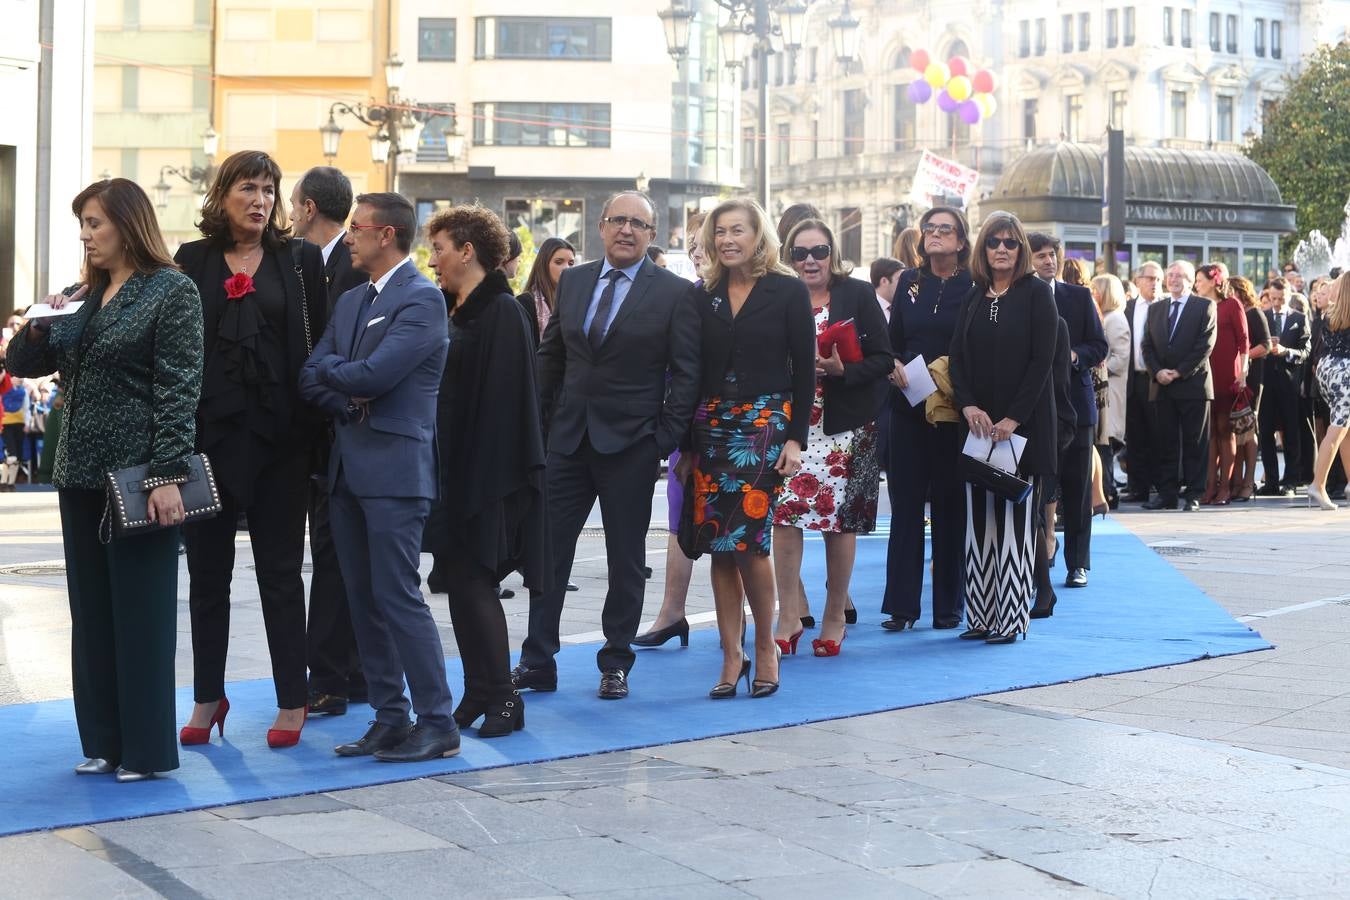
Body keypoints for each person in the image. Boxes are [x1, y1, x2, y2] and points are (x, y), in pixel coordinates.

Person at [5, 178, 203, 781]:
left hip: (140, 474)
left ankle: (145, 750)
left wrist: (169, 473)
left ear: (128, 223)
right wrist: (39, 326)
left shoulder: (171, 291)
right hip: (79, 471)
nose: (87, 235)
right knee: (91, 611)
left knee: (139, 613)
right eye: (82, 225)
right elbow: (23, 363)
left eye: (95, 223)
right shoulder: (81, 295)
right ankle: (103, 741)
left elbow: (179, 387)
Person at [512, 190, 700, 700]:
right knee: (548, 555)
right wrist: (539, 428)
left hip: (632, 445)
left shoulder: (674, 293)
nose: (626, 230)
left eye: (638, 224)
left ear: (652, 235)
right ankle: (537, 659)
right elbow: (552, 358)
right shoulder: (572, 280)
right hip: (568, 441)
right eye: (618, 220)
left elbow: (685, 375)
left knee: (625, 558)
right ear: (601, 226)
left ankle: (616, 660)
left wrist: (662, 439)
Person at [299, 192, 459, 762]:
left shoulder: (421, 300)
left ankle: (437, 720)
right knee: (362, 598)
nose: (349, 237)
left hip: (394, 472)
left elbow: (379, 372)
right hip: (348, 470)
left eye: (357, 227)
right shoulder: (349, 302)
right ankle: (391, 717)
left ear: (385, 235)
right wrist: (350, 392)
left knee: (397, 596)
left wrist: (345, 377)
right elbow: (312, 375)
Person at [175, 151, 327, 749]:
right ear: (222, 196)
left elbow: (320, 339)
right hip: (207, 440)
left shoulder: (301, 259)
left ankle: (293, 697)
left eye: (269, 189)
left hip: (282, 441)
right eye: (247, 188)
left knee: (281, 575)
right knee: (207, 576)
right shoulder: (193, 260)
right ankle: (208, 696)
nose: (260, 199)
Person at [678, 197, 814, 695]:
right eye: (720, 232)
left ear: (759, 236)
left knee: (752, 544)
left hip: (765, 425)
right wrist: (686, 445)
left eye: (738, 230)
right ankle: (731, 655)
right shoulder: (703, 294)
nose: (728, 239)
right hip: (712, 425)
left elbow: (805, 371)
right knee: (718, 545)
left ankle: (765, 647)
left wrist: (796, 437)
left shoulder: (787, 290)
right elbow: (690, 373)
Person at [423, 205, 549, 735]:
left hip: (485, 475)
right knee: (459, 583)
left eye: (440, 249)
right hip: (456, 470)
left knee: (475, 583)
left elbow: (506, 403)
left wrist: (476, 483)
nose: (433, 261)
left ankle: (502, 697)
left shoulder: (499, 309)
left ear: (467, 251)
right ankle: (479, 689)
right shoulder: (460, 309)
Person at [771, 218, 891, 657]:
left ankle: (835, 614)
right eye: (800, 253)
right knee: (784, 519)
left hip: (846, 427)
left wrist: (845, 371)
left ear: (832, 254)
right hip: (791, 427)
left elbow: (884, 358)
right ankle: (788, 614)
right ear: (789, 257)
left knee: (840, 526)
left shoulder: (857, 294)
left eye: (818, 251)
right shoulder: (778, 294)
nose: (809, 261)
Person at [949, 211, 1058, 643]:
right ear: (983, 248)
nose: (1001, 249)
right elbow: (956, 356)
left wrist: (1014, 417)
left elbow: (1042, 362)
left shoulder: (1036, 295)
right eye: (994, 241)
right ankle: (980, 616)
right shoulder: (975, 294)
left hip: (1022, 429)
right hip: (978, 430)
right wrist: (969, 405)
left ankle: (1012, 620)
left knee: (1014, 523)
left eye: (1010, 243)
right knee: (979, 525)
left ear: (1021, 250)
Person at [289, 165, 367, 717]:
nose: (290, 217)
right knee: (343, 557)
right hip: (328, 434)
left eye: (293, 207)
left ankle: (331, 679)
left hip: (342, 434)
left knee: (336, 557)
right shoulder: (315, 264)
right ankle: (353, 673)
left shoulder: (348, 268)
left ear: (310, 208)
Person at [882, 207, 973, 632]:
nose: (936, 235)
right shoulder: (909, 284)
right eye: (930, 229)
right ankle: (902, 607)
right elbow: (893, 341)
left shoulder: (974, 285)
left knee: (951, 507)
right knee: (905, 507)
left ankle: (948, 606)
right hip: (908, 405)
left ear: (960, 240)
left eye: (945, 229)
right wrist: (893, 364)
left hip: (955, 410)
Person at [634, 212, 710, 648]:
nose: (699, 252)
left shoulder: (751, 295)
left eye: (707, 242)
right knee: (680, 517)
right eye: (694, 244)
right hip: (685, 424)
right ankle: (671, 612)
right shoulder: (686, 295)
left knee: (737, 526)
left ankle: (762, 618)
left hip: (738, 428)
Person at [1028, 234, 1107, 589]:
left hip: (1076, 403)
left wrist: (1075, 356)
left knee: (1077, 489)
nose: (1049, 261)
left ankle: (1078, 563)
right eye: (1041, 255)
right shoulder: (1021, 297)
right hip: (1032, 407)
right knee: (1038, 487)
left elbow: (1099, 344)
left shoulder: (1078, 295)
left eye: (1052, 255)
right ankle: (1039, 554)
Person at [1142, 261, 1217, 511]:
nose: (1173, 279)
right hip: (1162, 386)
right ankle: (1167, 494)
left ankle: (1194, 494)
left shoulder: (1204, 306)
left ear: (1190, 280)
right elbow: (1147, 345)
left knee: (1196, 443)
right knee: (1165, 443)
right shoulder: (1156, 309)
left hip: (1192, 385)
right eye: (1170, 275)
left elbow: (1205, 345)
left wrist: (1179, 372)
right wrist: (1158, 371)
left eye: (1179, 275)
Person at [1193, 264, 1249, 506]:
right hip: (1206, 376)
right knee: (1210, 434)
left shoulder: (1232, 304)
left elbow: (1244, 340)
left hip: (1228, 376)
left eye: (1199, 280)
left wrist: (1243, 372)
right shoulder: (1200, 306)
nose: (1196, 284)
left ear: (1213, 281)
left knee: (1225, 432)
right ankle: (1209, 487)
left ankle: (1226, 487)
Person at [1258, 277, 1310, 495]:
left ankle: (1290, 481)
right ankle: (1271, 481)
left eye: (1281, 298)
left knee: (1291, 432)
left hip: (1289, 383)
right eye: (1273, 298)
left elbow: (1306, 351)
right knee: (1266, 432)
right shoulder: (1263, 316)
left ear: (1289, 296)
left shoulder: (1299, 317)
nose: (1277, 302)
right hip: (1265, 382)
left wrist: (1287, 351)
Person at [1308, 274, 1350, 508]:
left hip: (1326, 370)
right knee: (1337, 429)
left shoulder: (1330, 313)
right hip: (1346, 372)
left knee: (1345, 427)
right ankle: (1318, 485)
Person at [1122, 262, 1162, 502]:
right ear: (1137, 281)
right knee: (1134, 434)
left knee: (1157, 433)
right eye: (1149, 278)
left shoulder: (1166, 307)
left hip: (1157, 379)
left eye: (1158, 279)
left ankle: (1158, 484)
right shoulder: (1127, 308)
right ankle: (1137, 486)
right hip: (1132, 378)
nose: (1154, 283)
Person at [1229, 276, 1271, 501]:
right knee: (1235, 430)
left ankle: (1248, 481)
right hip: (1233, 377)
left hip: (1252, 378)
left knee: (1248, 429)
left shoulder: (1254, 313)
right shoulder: (1227, 310)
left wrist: (1242, 356)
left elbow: (1266, 345)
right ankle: (1235, 481)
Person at [1090, 274, 1130, 510]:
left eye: (1097, 289)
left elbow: (1120, 358)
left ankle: (1107, 491)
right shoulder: (1107, 316)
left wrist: (1096, 368)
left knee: (1105, 444)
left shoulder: (1114, 319)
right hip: (1104, 389)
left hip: (1110, 390)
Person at [517, 237, 576, 348]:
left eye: (571, 263)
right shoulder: (525, 303)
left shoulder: (575, 303)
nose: (566, 268)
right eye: (559, 262)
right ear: (544, 264)